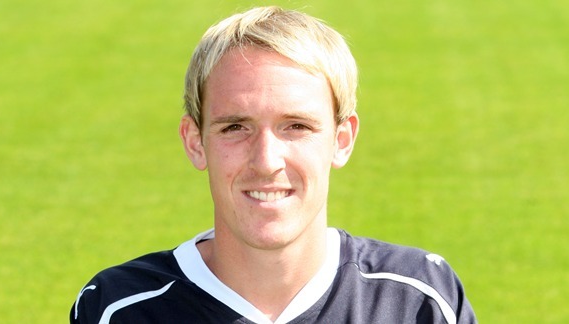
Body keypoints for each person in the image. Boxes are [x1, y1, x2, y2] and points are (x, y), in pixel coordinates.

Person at [70, 6, 476, 323]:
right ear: (195, 142)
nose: (266, 161)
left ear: (341, 139)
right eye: (235, 127)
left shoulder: (419, 300)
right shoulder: (119, 309)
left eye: (296, 126)